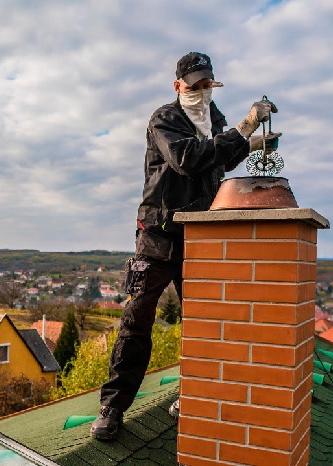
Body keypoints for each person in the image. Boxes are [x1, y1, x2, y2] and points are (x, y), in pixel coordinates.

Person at [90, 52, 279, 441]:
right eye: (193, 85)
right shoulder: (165, 119)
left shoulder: (216, 120)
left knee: (203, 321)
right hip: (159, 236)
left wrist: (253, 144)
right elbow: (187, 159)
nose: (200, 91)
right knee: (137, 319)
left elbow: (216, 164)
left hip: (200, 236)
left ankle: (193, 393)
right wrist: (245, 129)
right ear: (178, 86)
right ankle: (112, 408)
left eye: (206, 84)